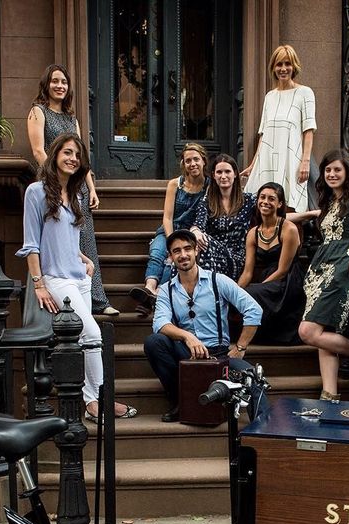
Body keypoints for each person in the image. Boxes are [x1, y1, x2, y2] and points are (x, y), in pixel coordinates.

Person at [16, 133, 137, 422]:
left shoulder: (77, 193)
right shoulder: (36, 191)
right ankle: (97, 402)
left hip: (78, 276)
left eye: (77, 155)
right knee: (93, 334)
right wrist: (39, 284)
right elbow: (32, 243)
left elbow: (67, 237)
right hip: (55, 279)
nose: (72, 158)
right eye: (67, 152)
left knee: (86, 340)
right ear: (55, 154)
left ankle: (95, 398)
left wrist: (84, 259)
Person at [144, 229, 270, 423]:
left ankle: (261, 432)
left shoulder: (217, 281)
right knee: (154, 342)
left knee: (252, 377)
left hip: (219, 356)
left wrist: (240, 347)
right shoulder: (166, 290)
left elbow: (254, 309)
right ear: (170, 256)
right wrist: (188, 337)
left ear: (196, 251)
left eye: (187, 249)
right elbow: (160, 323)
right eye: (177, 251)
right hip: (186, 355)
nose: (183, 254)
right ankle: (181, 401)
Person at [27, 63, 119, 316]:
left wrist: (91, 189)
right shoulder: (38, 111)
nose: (60, 86)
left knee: (86, 238)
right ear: (47, 84)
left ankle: (98, 300)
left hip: (76, 186)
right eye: (55, 81)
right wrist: (54, 179)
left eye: (64, 82)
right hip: (52, 185)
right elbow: (38, 151)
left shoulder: (72, 118)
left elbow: (81, 156)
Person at [298, 149, 349, 401]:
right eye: (327, 170)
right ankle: (329, 393)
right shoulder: (329, 202)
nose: (331, 174)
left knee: (308, 331)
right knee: (322, 331)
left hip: (340, 269)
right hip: (320, 270)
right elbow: (286, 219)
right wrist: (308, 214)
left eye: (337, 169)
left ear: (346, 172)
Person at [129, 143, 210, 315]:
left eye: (196, 159)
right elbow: (167, 217)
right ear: (183, 164)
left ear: (203, 160)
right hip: (170, 230)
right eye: (188, 161)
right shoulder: (175, 184)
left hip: (190, 235)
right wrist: (170, 238)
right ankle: (149, 288)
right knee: (158, 251)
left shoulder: (210, 187)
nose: (192, 164)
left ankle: (157, 296)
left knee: (172, 259)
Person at [240, 44, 317, 216]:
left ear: (294, 66)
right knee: (262, 204)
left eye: (287, 64)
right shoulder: (270, 96)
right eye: (279, 64)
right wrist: (254, 164)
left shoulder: (305, 93)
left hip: (291, 158)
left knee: (289, 205)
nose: (283, 69)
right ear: (273, 68)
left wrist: (305, 161)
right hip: (268, 159)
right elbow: (264, 134)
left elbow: (309, 130)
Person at [238, 182, 305, 345]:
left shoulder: (288, 228)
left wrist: (258, 288)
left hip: (287, 281)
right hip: (265, 279)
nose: (265, 201)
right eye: (262, 197)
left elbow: (283, 270)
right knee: (239, 294)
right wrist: (235, 291)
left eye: (271, 198)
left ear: (280, 203)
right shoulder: (253, 233)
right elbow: (248, 271)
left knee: (253, 293)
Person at [190, 154, 257, 281]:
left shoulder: (248, 200)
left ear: (235, 174)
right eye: (219, 172)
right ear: (214, 176)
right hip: (210, 253)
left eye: (227, 171)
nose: (223, 176)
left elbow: (274, 215)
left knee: (203, 246)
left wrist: (307, 214)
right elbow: (198, 223)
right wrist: (195, 231)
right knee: (190, 246)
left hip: (236, 257)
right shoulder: (208, 201)